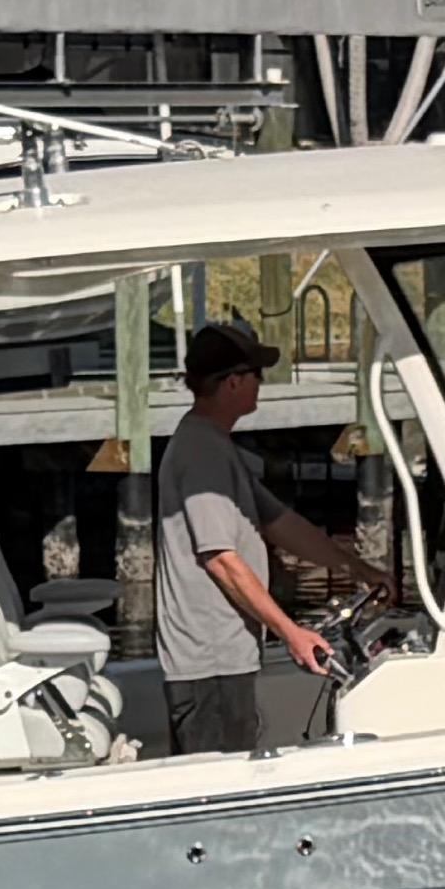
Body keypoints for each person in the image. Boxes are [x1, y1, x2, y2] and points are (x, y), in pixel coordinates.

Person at [153, 320, 389, 754]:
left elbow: (280, 522)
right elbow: (220, 558)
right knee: (219, 791)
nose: (262, 383)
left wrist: (359, 568)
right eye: (257, 374)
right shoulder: (202, 452)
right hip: (209, 662)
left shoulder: (216, 446)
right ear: (233, 382)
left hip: (228, 656)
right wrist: (290, 633)